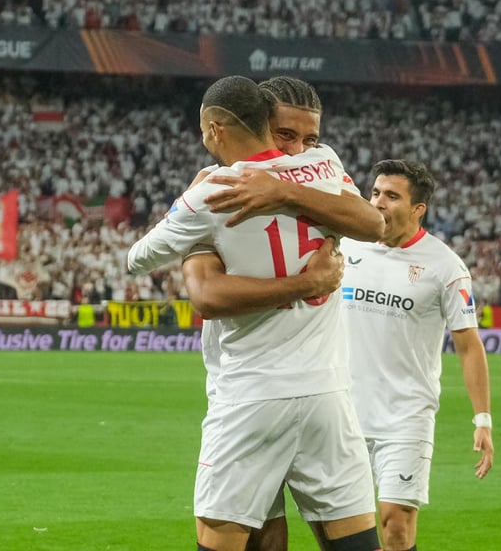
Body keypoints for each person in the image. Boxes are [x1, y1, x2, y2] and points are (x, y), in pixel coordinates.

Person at [128, 76, 382, 551]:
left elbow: (154, 267)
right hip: (321, 393)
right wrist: (308, 279)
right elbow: (373, 222)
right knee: (303, 535)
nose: (298, 149)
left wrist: (277, 191)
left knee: (226, 537)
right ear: (263, 123)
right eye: (286, 135)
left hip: (253, 394)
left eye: (310, 139)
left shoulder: (220, 191)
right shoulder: (323, 170)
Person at [343, 160, 494, 550]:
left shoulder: (445, 267)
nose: (378, 202)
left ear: (417, 209)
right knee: (344, 529)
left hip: (405, 416)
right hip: (342, 412)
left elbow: (469, 345)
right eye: (375, 192)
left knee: (395, 525)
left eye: (392, 196)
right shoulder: (347, 245)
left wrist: (482, 419)